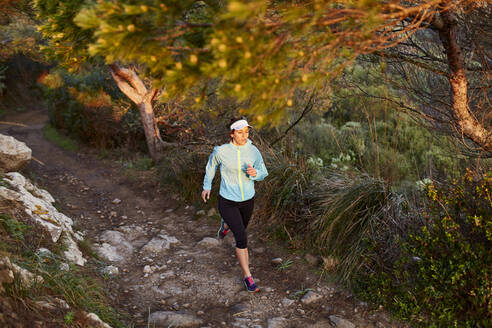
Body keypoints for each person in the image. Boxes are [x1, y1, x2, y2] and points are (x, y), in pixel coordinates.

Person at [201, 117, 268, 293]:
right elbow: (211, 167)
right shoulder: (221, 151)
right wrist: (206, 187)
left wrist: (255, 173)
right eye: (240, 132)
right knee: (242, 238)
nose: (244, 135)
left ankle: (226, 224)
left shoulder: (253, 151)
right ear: (232, 134)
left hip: (248, 200)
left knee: (240, 229)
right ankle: (248, 277)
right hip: (228, 200)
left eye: (246, 132)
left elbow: (263, 171)